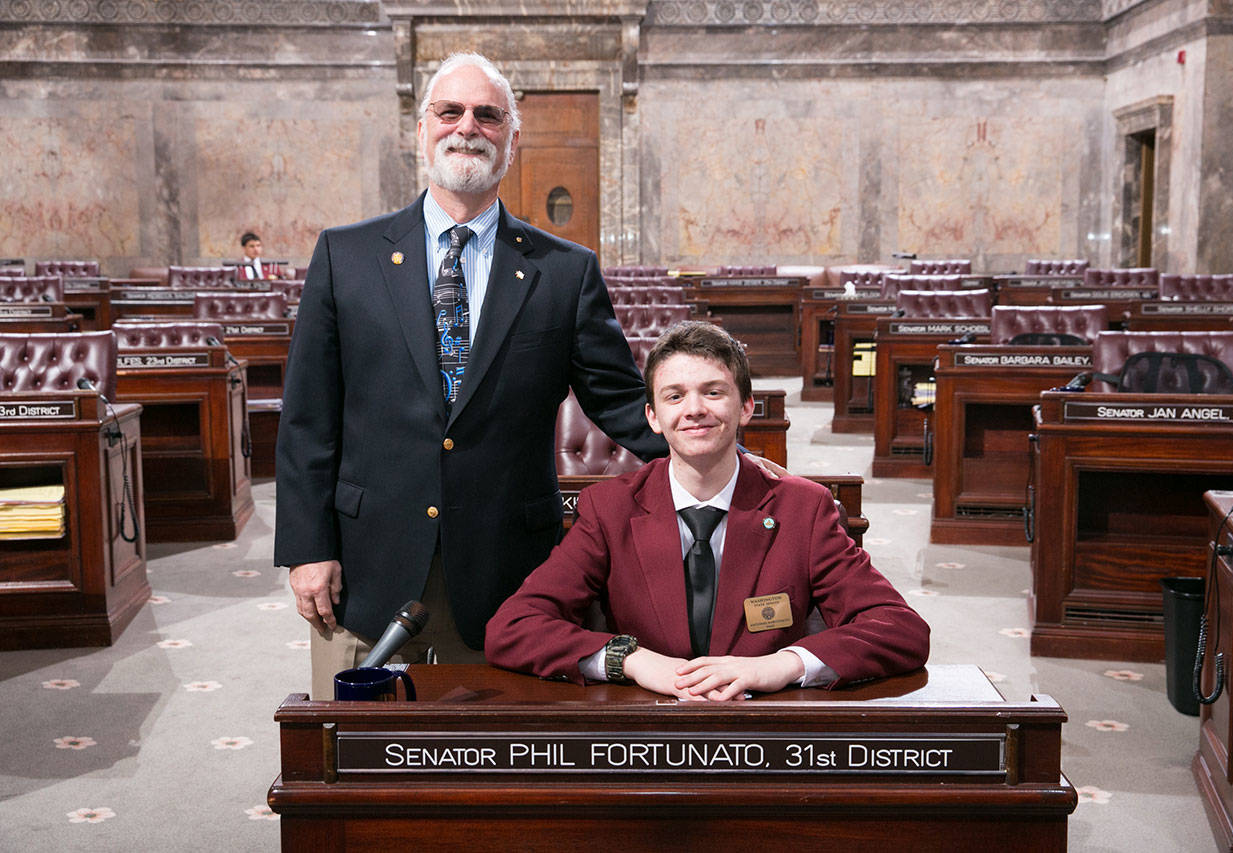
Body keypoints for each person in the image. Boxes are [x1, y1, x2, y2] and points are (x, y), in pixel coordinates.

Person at [273, 52, 673, 700]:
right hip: (366, 571)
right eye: (449, 112)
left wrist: (725, 453)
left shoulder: (564, 271)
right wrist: (306, 547)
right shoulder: (344, 256)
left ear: (512, 140)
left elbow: (624, 403)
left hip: (508, 576)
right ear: (421, 131)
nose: (467, 127)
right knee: (357, 775)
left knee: (495, 777)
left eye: (488, 115)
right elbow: (308, 418)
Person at [486, 322, 930, 700]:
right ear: (654, 417)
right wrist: (630, 660)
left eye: (713, 392)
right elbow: (513, 627)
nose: (694, 410)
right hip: (643, 737)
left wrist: (782, 664)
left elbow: (901, 629)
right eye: (674, 396)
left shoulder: (804, 508)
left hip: (764, 738)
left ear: (746, 408)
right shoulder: (610, 508)